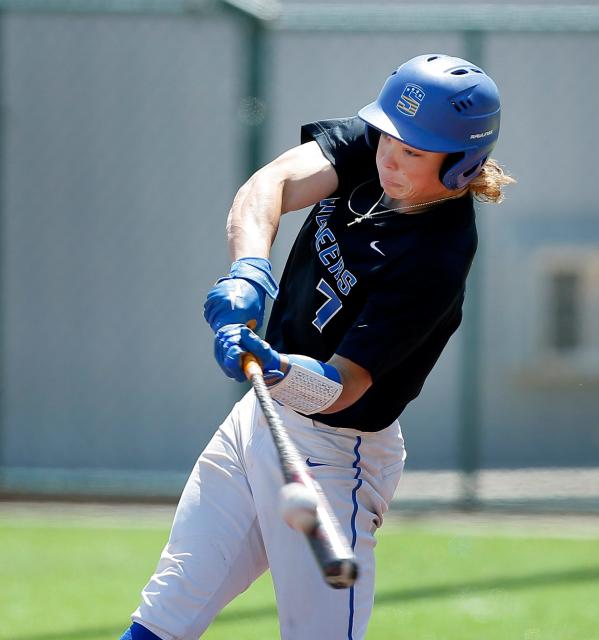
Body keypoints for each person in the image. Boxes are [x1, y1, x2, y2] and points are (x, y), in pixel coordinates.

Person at [119, 53, 514, 640]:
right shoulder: (371, 147)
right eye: (387, 140)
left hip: (335, 452)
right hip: (259, 421)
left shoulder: (437, 256)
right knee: (163, 616)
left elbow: (342, 386)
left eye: (413, 152)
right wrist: (249, 269)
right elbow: (270, 184)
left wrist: (278, 369)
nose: (389, 159)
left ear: (461, 165)